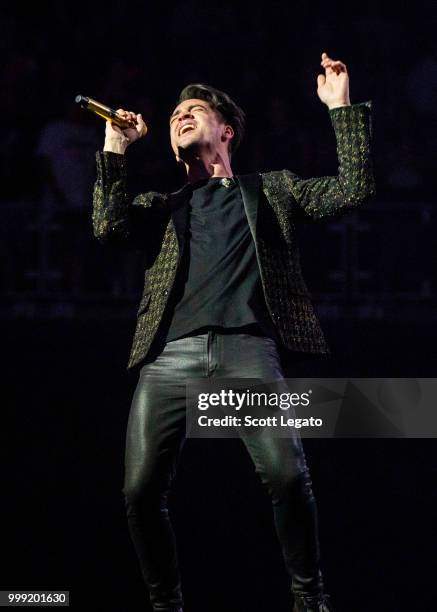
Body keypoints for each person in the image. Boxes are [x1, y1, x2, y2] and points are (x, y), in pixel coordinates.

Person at [92, 52, 375, 612]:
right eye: (174, 115)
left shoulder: (270, 190)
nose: (179, 116)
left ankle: (309, 596)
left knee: (288, 477)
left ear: (226, 131)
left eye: (192, 110)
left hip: (248, 351)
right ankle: (165, 603)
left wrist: (341, 108)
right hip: (169, 358)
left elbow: (354, 188)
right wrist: (115, 146)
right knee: (140, 492)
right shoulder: (162, 206)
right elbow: (107, 227)